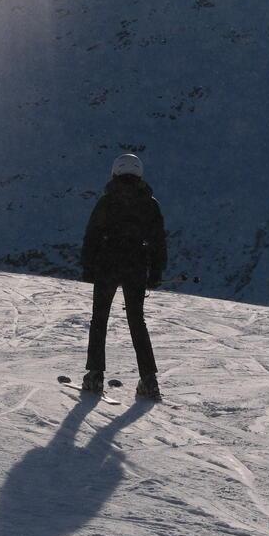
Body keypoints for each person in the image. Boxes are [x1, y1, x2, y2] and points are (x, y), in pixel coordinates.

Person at [79, 152, 166, 401]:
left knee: (100, 320)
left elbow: (92, 234)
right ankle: (148, 380)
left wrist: (88, 266)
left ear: (115, 172)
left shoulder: (107, 202)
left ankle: (95, 375)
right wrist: (156, 271)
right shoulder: (150, 204)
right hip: (136, 266)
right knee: (137, 321)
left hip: (108, 264)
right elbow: (158, 240)